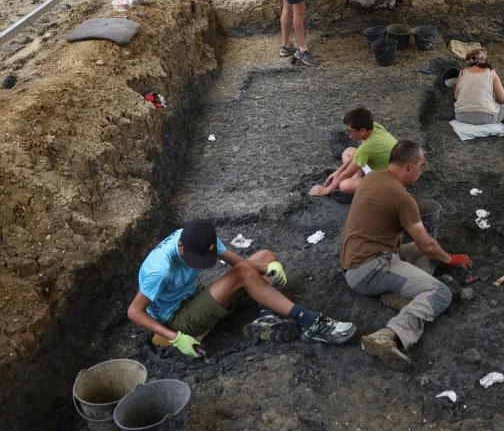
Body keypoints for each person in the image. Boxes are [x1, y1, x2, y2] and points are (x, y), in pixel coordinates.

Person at [127, 220, 355, 358]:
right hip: (177, 318)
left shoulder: (197, 237)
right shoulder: (159, 269)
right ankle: (310, 321)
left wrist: (268, 266)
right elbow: (134, 312)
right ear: (180, 247)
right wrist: (176, 338)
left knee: (266, 256)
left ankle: (264, 318)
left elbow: (238, 261)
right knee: (244, 273)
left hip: (193, 296)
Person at [342, 141, 473, 371]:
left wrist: (440, 253)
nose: (422, 171)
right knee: (440, 292)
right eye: (421, 166)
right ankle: (388, 336)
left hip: (357, 258)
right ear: (411, 165)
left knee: (429, 251)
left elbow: (427, 247)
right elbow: (427, 245)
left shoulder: (373, 178)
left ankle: (406, 296)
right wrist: (452, 260)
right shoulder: (402, 198)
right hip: (370, 269)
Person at [310, 107, 397, 197]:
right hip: (388, 170)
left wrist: (326, 190)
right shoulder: (375, 127)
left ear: (362, 131)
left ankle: (359, 191)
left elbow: (347, 173)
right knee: (348, 151)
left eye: (350, 131)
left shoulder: (367, 147)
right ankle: (357, 181)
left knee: (345, 185)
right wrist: (338, 172)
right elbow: (357, 154)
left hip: (389, 184)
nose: (348, 134)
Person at [454, 49, 504, 124]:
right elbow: (503, 99)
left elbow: (457, 96)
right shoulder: (491, 72)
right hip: (486, 117)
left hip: (461, 116)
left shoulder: (462, 72)